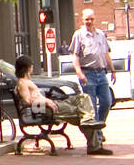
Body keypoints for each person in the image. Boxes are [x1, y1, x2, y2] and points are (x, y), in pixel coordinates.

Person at [14, 55, 103, 155]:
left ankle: (88, 121)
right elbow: (27, 100)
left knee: (83, 98)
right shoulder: (22, 82)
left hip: (53, 103)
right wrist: (46, 102)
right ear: (28, 67)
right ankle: (94, 145)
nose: (32, 67)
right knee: (79, 112)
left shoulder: (28, 81)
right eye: (31, 65)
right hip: (47, 109)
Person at [68, 8, 114, 153]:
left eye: (91, 19)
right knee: (91, 107)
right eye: (86, 19)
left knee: (107, 102)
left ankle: (99, 127)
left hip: (101, 73)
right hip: (88, 74)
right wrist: (79, 72)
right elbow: (75, 56)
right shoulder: (79, 35)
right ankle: (96, 137)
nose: (89, 22)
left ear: (95, 19)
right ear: (82, 19)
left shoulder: (101, 34)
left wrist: (112, 70)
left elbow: (106, 53)